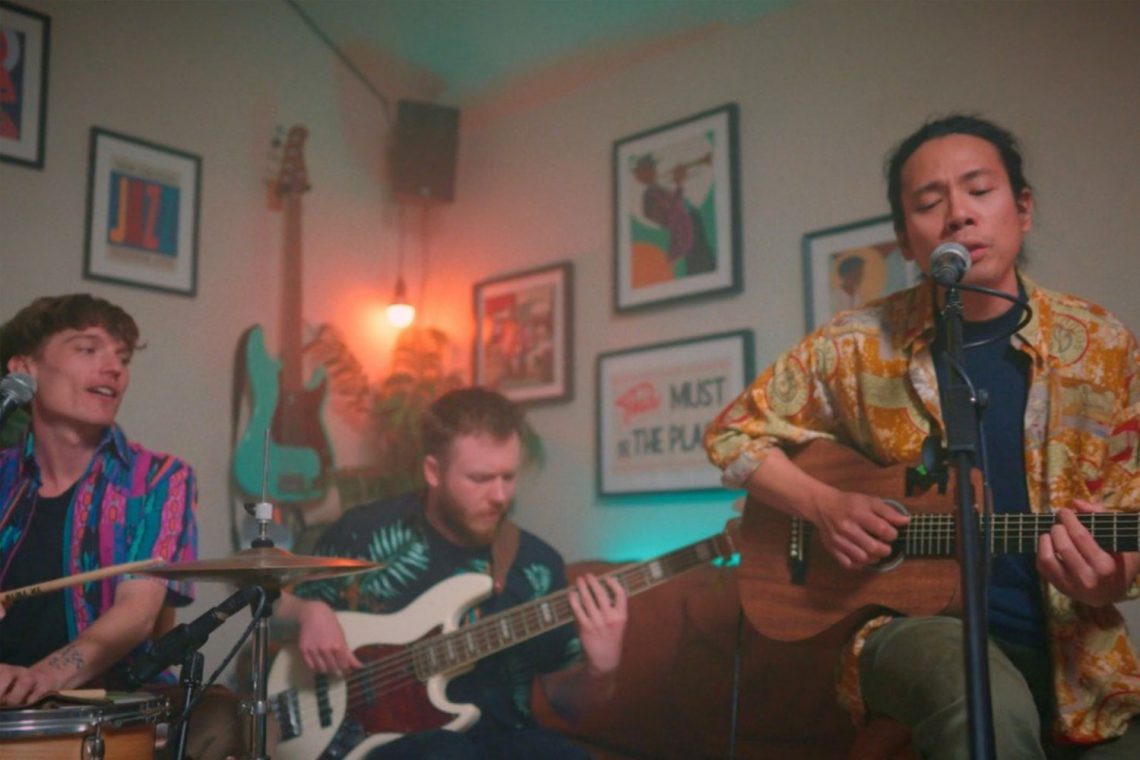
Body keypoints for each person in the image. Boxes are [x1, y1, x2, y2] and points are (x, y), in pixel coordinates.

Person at [705, 114, 1140, 758]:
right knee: (981, 700)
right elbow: (731, 435)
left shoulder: (1102, 345)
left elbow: (1129, 504)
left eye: (979, 190)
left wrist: (1110, 578)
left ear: (1022, 209)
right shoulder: (855, 344)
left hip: (1077, 650)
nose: (959, 214)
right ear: (906, 241)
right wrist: (825, 505)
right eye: (929, 203)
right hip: (910, 628)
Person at [275, 387, 628, 759]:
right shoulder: (363, 533)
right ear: (433, 471)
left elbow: (568, 705)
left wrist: (600, 670)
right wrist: (307, 612)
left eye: (508, 477)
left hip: (505, 741)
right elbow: (265, 607)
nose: (500, 495)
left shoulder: (537, 565)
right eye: (480, 478)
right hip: (378, 742)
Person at [0, 293, 198, 705]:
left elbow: (136, 614)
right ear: (23, 368)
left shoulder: (158, 478)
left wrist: (42, 677)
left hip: (111, 711)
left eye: (123, 358)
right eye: (88, 349)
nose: (114, 369)